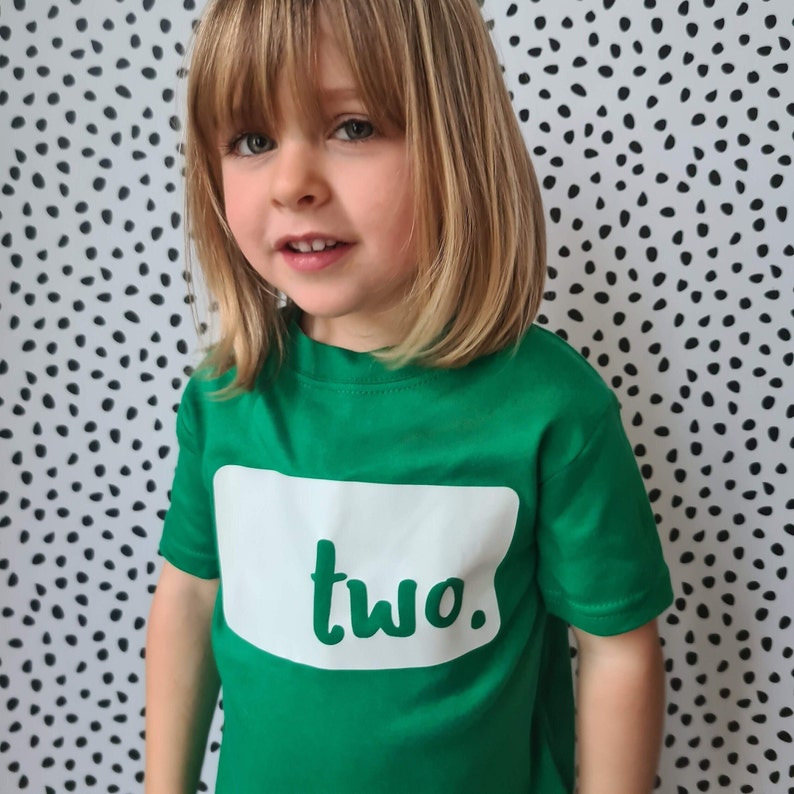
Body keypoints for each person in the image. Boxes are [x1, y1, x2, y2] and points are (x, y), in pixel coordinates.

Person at [144, 0, 674, 791]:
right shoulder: (225, 397)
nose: (293, 183)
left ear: (457, 142)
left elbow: (618, 648)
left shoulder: (552, 408)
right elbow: (187, 603)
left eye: (351, 127)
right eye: (253, 140)